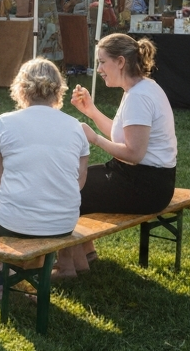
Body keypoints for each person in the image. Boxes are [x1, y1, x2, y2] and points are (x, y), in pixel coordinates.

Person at [0, 59, 89, 294]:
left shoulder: (5, 122)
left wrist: (15, 201)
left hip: (14, 219)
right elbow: (78, 182)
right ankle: (55, 266)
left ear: (20, 88)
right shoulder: (75, 127)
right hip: (64, 222)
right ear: (58, 90)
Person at [66, 34, 177, 275]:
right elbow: (124, 137)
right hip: (145, 179)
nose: (99, 69)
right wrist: (91, 111)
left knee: (66, 190)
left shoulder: (139, 96)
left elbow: (134, 153)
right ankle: (85, 253)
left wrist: (94, 139)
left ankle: (74, 266)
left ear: (120, 62)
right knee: (73, 181)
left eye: (102, 62)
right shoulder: (139, 88)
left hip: (146, 185)